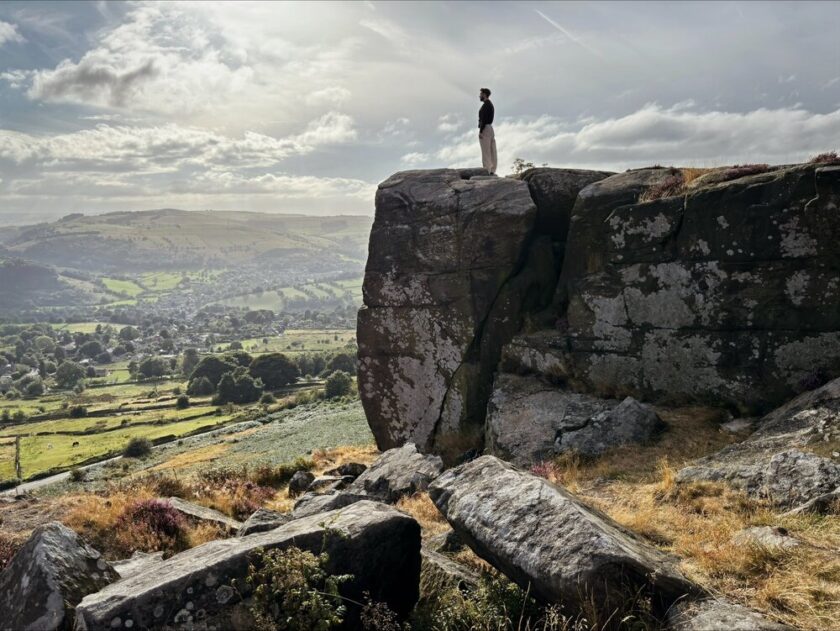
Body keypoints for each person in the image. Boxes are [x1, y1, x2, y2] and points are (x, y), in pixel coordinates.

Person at [478, 87, 497, 175]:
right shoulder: (490, 104)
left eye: (481, 94)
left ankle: (487, 170)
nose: (479, 96)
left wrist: (481, 131)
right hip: (490, 128)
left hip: (485, 128)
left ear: (484, 95)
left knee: (486, 150)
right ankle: (492, 169)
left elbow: (483, 119)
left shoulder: (485, 105)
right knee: (492, 149)